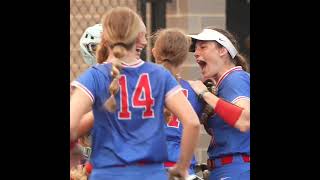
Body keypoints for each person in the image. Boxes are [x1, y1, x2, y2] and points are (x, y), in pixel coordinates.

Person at [70, 7, 200, 180]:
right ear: (139, 38)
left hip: (107, 173)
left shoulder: (95, 76)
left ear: (105, 37)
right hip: (151, 173)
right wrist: (182, 167)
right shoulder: (159, 75)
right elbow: (192, 123)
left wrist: (74, 150)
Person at [187, 27, 250, 179]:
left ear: (223, 50)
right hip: (224, 169)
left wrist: (204, 94)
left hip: (236, 169)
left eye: (203, 47)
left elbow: (244, 120)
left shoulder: (234, 78)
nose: (196, 53)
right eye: (195, 49)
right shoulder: (222, 84)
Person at [151, 28, 204, 179]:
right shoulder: (194, 89)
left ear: (154, 52)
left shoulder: (141, 83)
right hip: (182, 167)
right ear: (183, 57)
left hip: (150, 167)